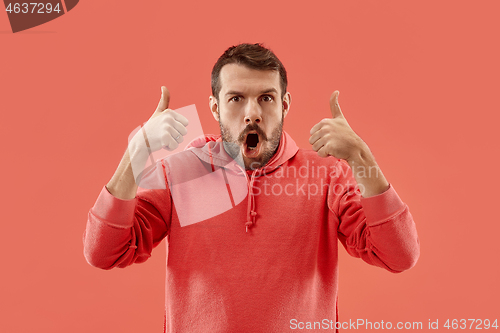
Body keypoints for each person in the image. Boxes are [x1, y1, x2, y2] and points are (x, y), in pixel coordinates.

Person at [83, 43, 420, 333]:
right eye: (236, 99)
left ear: (285, 105)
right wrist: (137, 151)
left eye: (266, 98)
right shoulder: (182, 172)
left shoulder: (328, 175)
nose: (252, 113)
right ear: (215, 107)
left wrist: (361, 157)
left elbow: (399, 256)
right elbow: (105, 252)